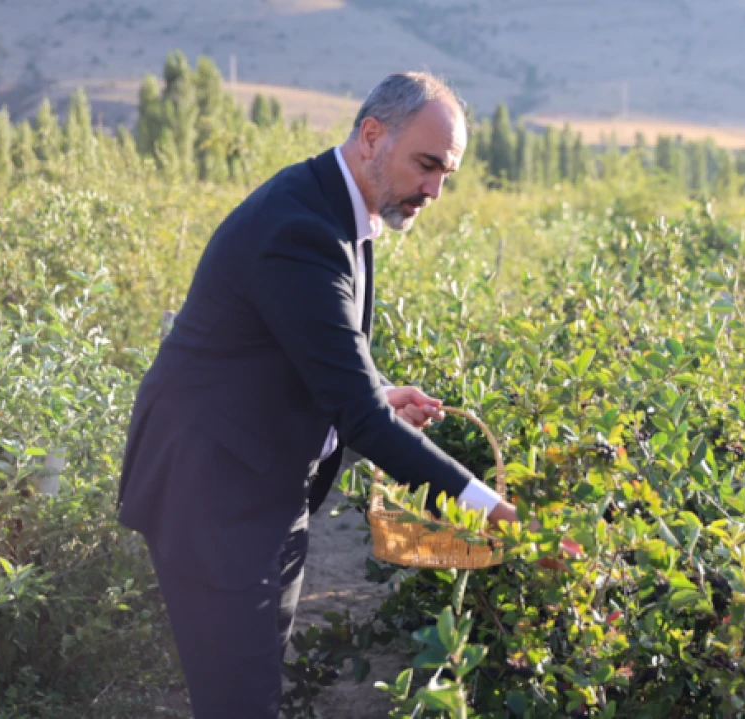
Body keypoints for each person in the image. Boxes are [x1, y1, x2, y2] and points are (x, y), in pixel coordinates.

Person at [116, 72, 521, 718]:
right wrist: (488, 506)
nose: (435, 190)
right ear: (371, 137)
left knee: (251, 691)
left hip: (266, 483)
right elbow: (356, 417)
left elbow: (312, 348)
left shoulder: (339, 209)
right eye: (427, 165)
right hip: (212, 494)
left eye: (447, 174)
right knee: (239, 703)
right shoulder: (301, 227)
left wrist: (379, 390)